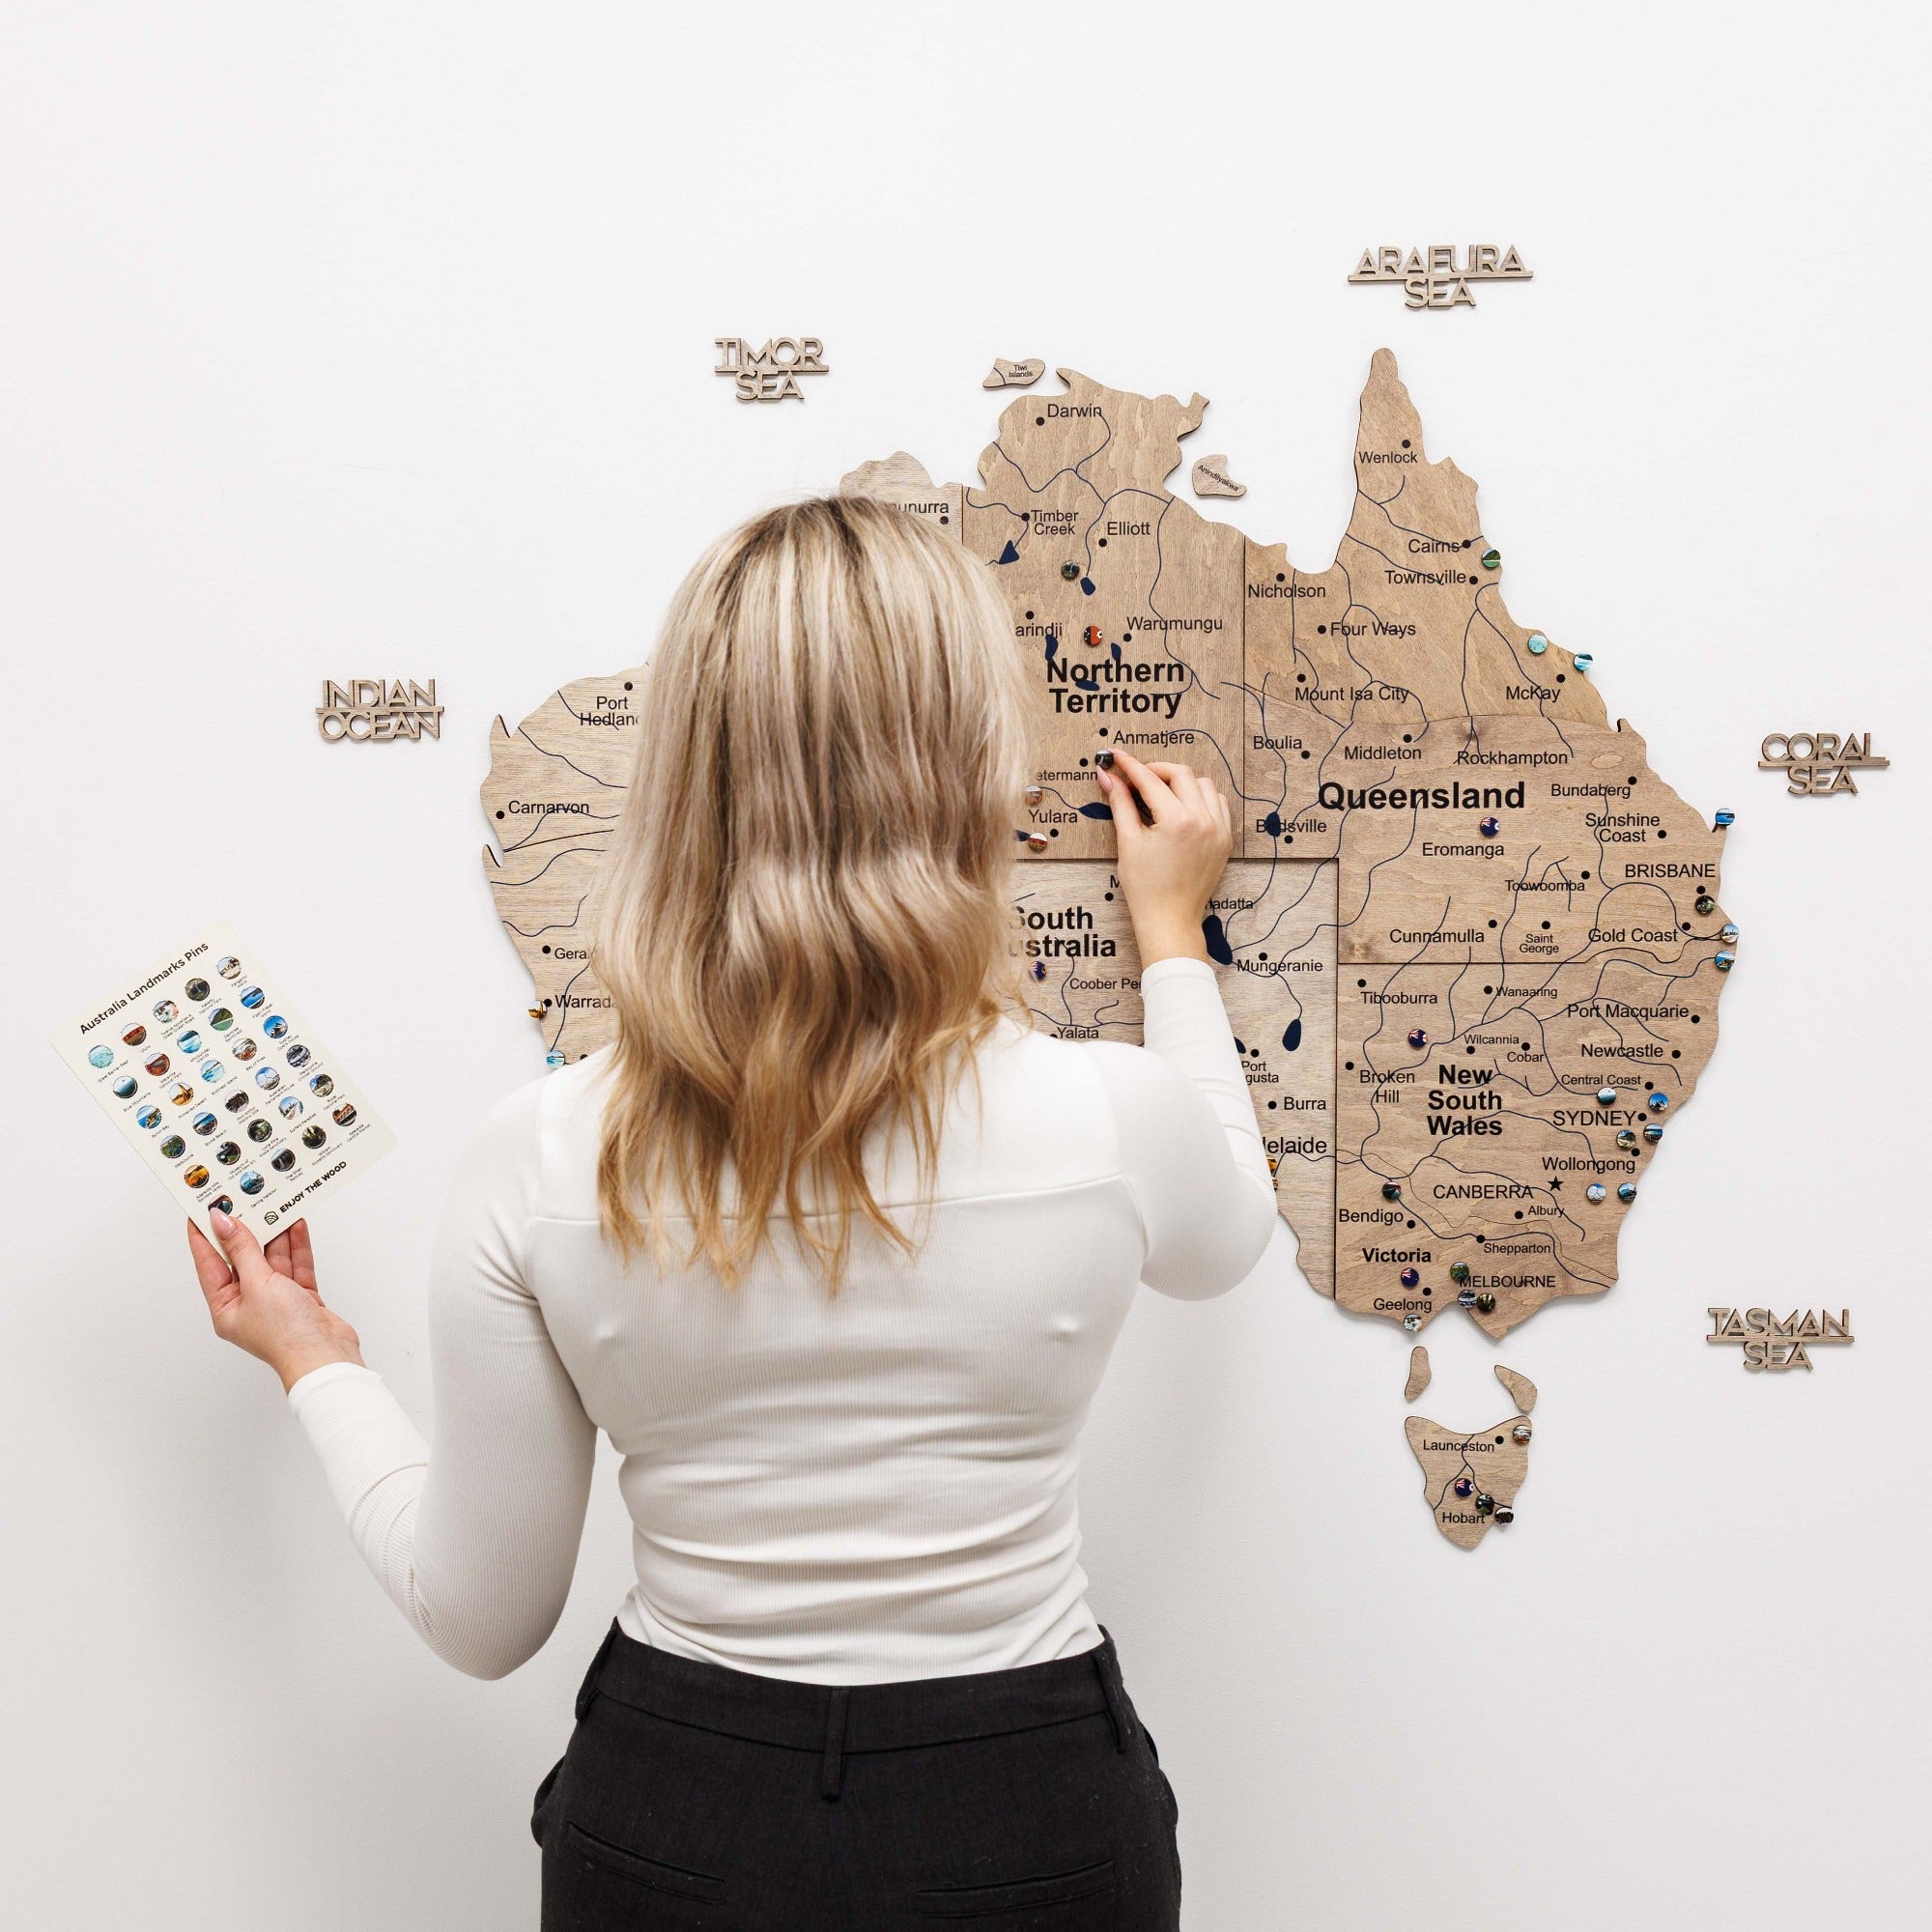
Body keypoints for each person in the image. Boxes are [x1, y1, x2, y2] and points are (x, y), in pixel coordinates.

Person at [185, 497, 1277, 1929]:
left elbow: (482, 1616)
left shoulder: (542, 1155)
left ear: (685, 771)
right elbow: (1228, 1234)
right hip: (1032, 1808)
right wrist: (1171, 938)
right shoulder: (1112, 1119)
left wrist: (314, 1356)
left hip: (681, 1816)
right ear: (964, 763)